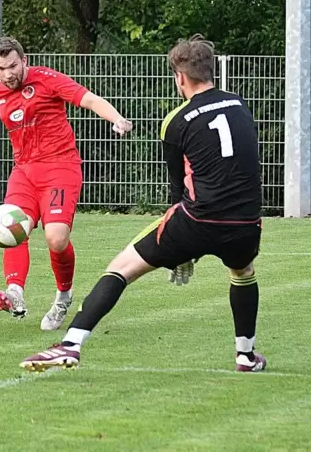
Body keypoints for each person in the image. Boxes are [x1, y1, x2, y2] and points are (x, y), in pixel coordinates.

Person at [20, 34, 266, 372]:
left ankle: (70, 344)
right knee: (243, 273)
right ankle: (246, 356)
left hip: (197, 221)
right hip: (247, 223)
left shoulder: (177, 121)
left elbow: (178, 189)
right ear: (211, 71)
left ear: (180, 77)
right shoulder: (240, 105)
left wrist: (182, 248)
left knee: (121, 268)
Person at [0, 36, 132, 330]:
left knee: (56, 239)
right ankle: (15, 293)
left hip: (61, 168)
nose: (7, 73)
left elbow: (87, 99)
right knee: (12, 227)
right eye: (0, 68)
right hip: (24, 173)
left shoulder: (48, 79)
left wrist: (116, 118)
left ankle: (63, 295)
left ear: (23, 61)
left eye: (12, 66)